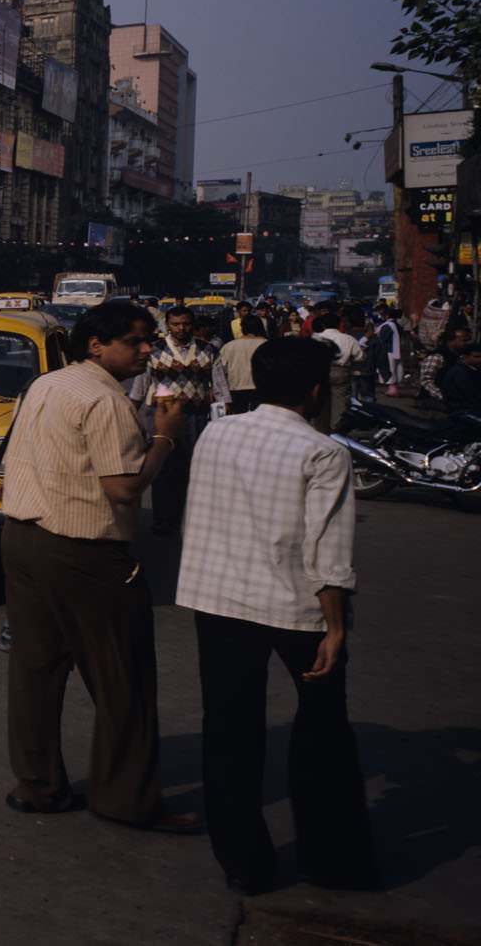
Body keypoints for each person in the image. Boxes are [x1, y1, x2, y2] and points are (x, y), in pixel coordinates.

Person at [178, 336, 378, 894]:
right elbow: (328, 552)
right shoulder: (323, 452)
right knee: (323, 730)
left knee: (229, 730)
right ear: (315, 391)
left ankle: (244, 865)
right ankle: (330, 861)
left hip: (217, 599)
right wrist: (336, 627)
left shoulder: (217, 432)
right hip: (295, 607)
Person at [0, 300, 195, 831]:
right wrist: (165, 437)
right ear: (95, 344)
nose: (147, 350)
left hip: (23, 539)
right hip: (82, 550)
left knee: (35, 671)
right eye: (135, 341)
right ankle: (125, 799)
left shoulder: (47, 384)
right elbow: (124, 488)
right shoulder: (105, 401)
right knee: (122, 679)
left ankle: (36, 786)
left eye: (149, 339)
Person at [138, 306, 221, 538]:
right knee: (163, 467)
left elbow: (220, 387)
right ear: (167, 325)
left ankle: (183, 518)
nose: (181, 328)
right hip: (161, 416)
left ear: (192, 325)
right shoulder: (154, 350)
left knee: (190, 468)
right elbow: (140, 386)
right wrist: (130, 411)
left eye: (185, 324)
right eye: (176, 324)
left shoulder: (208, 350)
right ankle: (162, 519)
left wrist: (223, 417)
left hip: (196, 416)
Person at [217, 315, 269, 414]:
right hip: (262, 390)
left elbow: (220, 372)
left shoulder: (229, 346)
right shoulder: (268, 345)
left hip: (236, 390)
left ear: (242, 328)